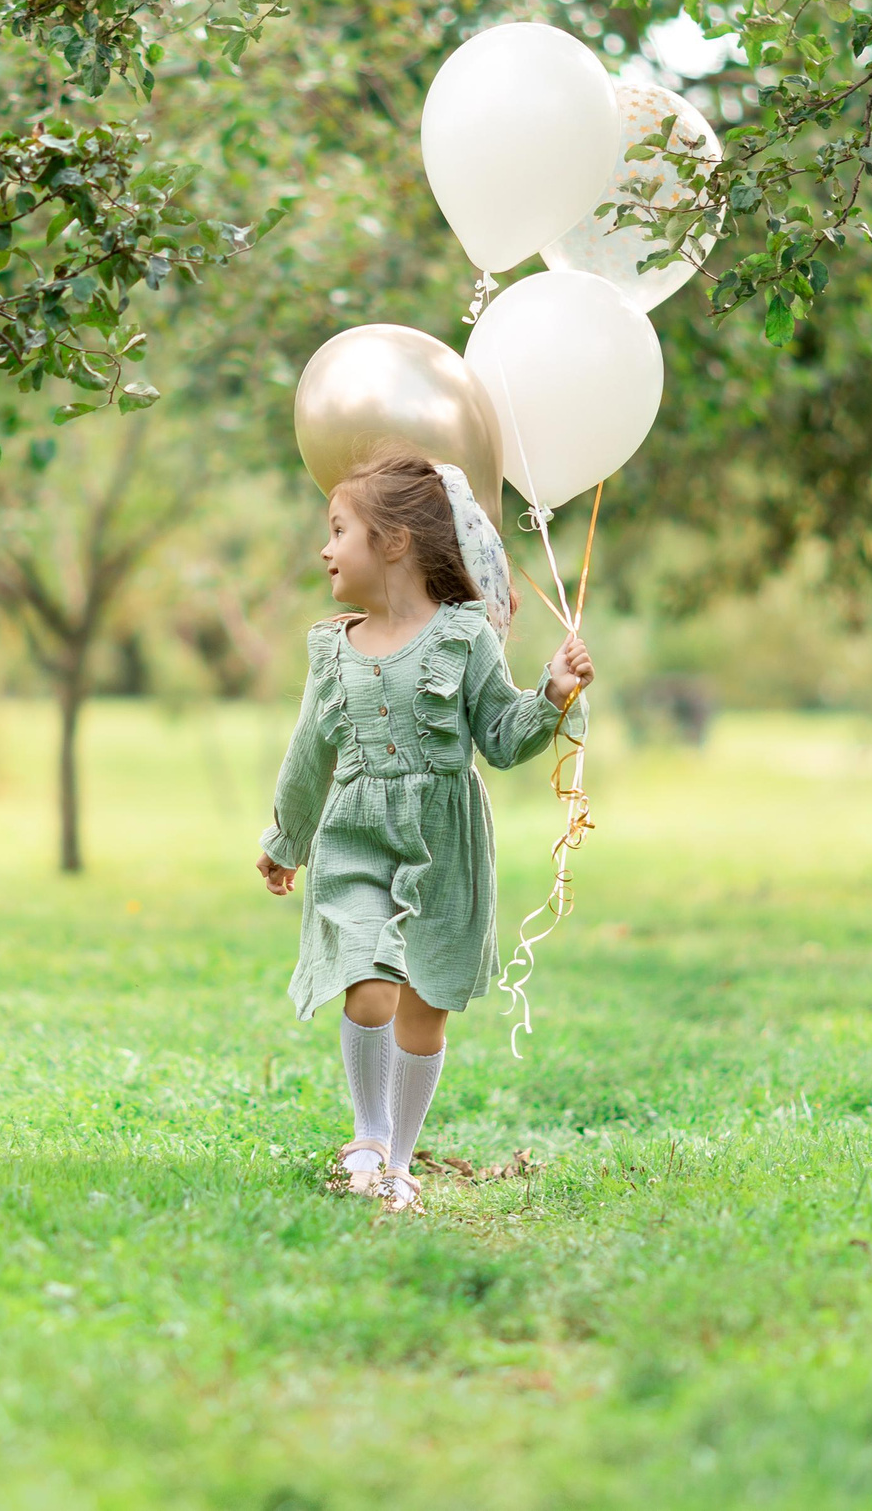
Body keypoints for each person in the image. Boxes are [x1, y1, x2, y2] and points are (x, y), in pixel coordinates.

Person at [254, 447, 592, 1214]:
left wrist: (552, 694)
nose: (326, 547)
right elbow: (310, 751)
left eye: (340, 529)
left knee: (424, 1000)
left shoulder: (463, 637)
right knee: (369, 985)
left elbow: (501, 737)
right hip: (355, 836)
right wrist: (287, 839)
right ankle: (367, 1134)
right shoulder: (331, 648)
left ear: (395, 542)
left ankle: (401, 1160)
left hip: (445, 842)